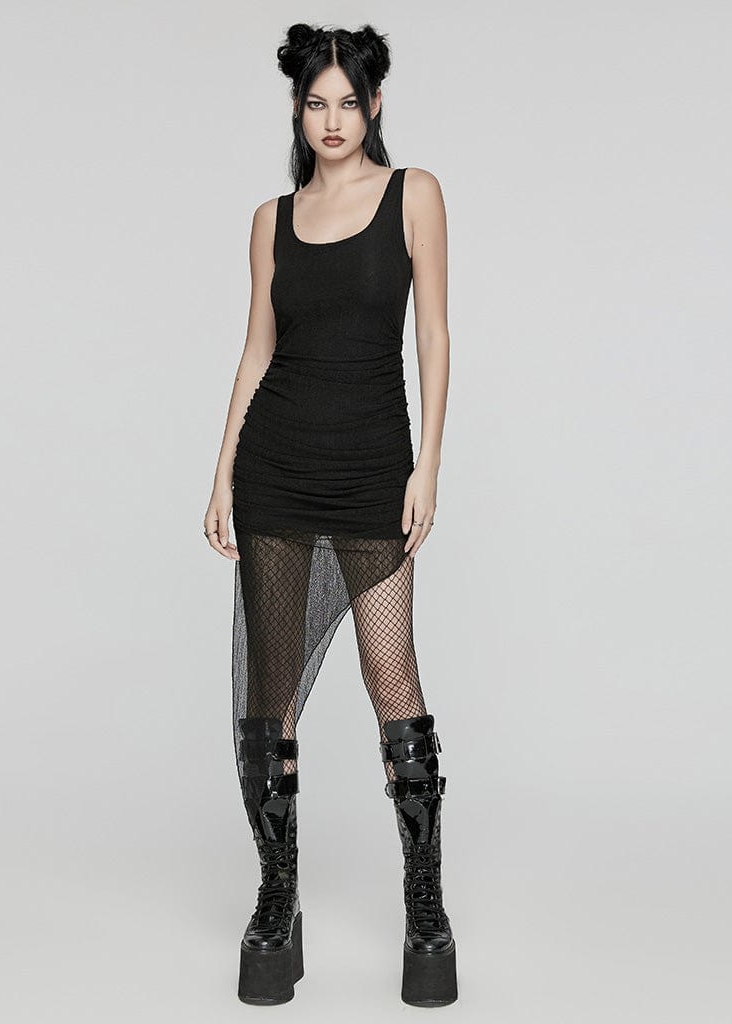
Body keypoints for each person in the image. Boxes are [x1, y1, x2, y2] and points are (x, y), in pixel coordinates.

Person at [203, 22, 456, 1007]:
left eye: (349, 102)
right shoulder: (270, 219)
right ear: (298, 110)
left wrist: (428, 464)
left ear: (375, 105)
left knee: (391, 676)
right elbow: (256, 349)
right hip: (276, 467)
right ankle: (278, 898)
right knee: (270, 692)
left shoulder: (413, 195)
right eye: (317, 103)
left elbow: (434, 334)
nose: (334, 120)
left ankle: (425, 904)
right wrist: (221, 473)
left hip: (372, 468)